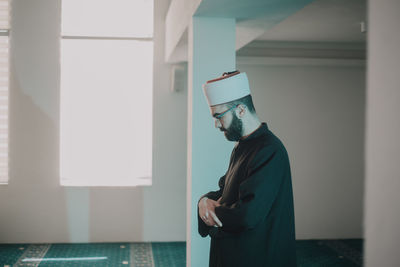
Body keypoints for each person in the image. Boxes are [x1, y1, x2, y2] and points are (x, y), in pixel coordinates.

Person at [198, 71, 297, 267]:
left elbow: (247, 214)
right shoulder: (243, 146)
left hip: (257, 256)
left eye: (219, 116)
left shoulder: (270, 149)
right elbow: (225, 191)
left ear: (241, 110)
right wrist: (204, 201)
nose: (217, 124)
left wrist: (212, 210)